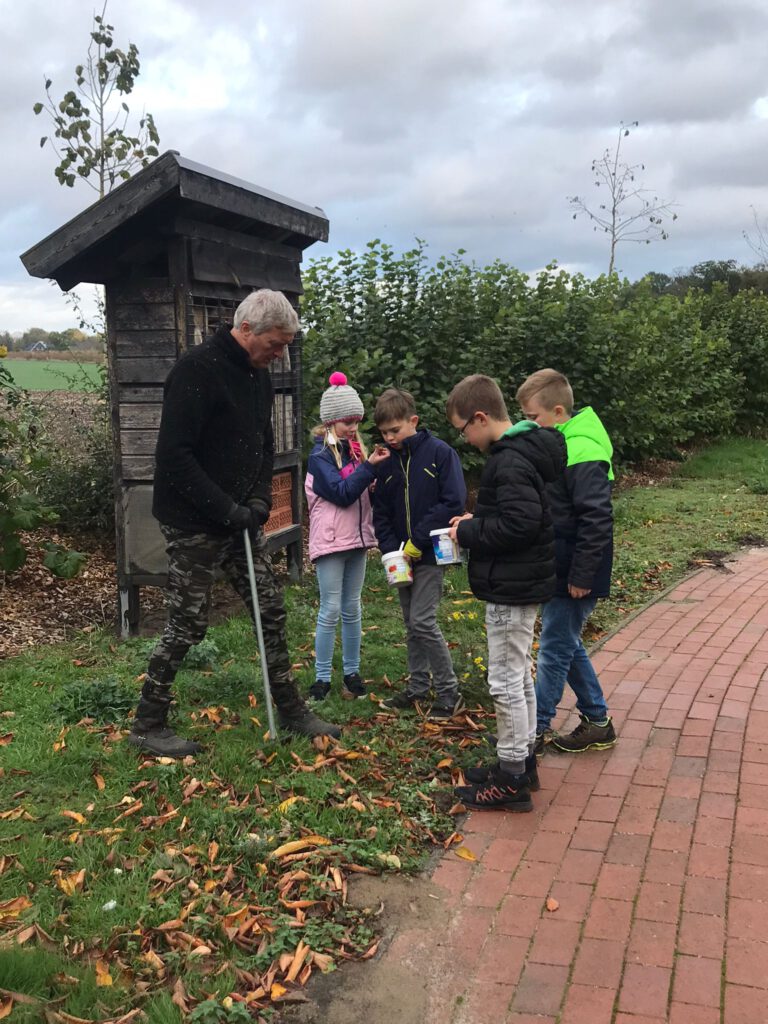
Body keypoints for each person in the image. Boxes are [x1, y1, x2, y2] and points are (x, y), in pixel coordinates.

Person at [129, 289, 341, 758]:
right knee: (188, 622)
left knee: (270, 608)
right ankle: (148, 724)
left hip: (239, 518)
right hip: (193, 521)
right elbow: (174, 458)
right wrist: (228, 510)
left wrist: (262, 497)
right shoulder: (196, 371)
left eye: (285, 344)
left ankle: (291, 709)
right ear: (246, 329)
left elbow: (263, 443)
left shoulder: (258, 376)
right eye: (275, 343)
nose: (280, 353)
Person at [446, 374, 566, 810]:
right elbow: (520, 514)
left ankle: (511, 779)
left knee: (504, 681)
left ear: (480, 417)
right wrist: (474, 521)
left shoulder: (509, 461)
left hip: (512, 586)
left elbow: (519, 524)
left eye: (464, 430)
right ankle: (521, 760)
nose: (466, 439)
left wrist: (472, 531)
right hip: (520, 580)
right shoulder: (521, 454)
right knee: (518, 675)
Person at [515, 368, 618, 753]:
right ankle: (596, 720)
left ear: (558, 411)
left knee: (556, 646)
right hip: (560, 562)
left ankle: (534, 732)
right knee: (566, 642)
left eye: (533, 417)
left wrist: (583, 573)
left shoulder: (584, 447)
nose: (529, 424)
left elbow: (596, 516)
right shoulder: (560, 441)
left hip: (578, 569)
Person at [372, 387, 467, 721]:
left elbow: (452, 501)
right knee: (411, 624)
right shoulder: (385, 464)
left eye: (395, 430)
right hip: (400, 560)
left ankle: (448, 692)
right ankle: (416, 687)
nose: (389, 437)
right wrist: (389, 550)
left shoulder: (440, 454)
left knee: (423, 621)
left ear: (413, 420)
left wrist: (417, 542)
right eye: (384, 432)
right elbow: (380, 511)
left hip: (428, 555)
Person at [305, 372, 390, 701]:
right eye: (346, 422)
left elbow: (361, 491)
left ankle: (352, 673)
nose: (353, 428)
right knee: (329, 609)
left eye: (356, 421)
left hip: (356, 541)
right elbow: (341, 493)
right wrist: (368, 469)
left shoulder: (355, 453)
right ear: (329, 423)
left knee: (352, 609)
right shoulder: (319, 458)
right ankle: (322, 677)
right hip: (330, 543)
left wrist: (375, 477)